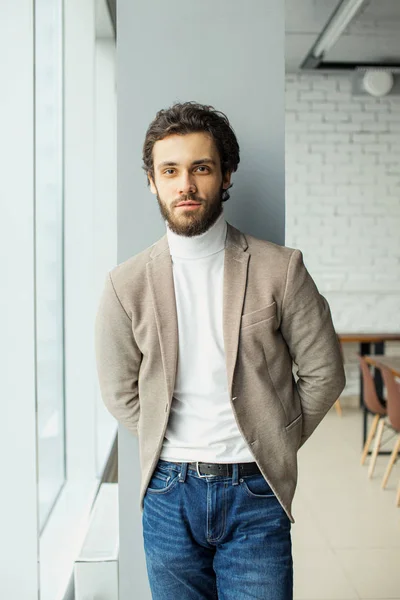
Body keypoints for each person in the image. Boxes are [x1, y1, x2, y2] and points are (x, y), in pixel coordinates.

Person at [95, 101, 346, 600]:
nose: (185, 184)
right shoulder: (126, 285)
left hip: (256, 492)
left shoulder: (282, 269)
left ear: (225, 175)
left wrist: (276, 437)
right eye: (170, 170)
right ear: (153, 181)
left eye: (200, 168)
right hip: (168, 494)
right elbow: (119, 390)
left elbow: (324, 372)